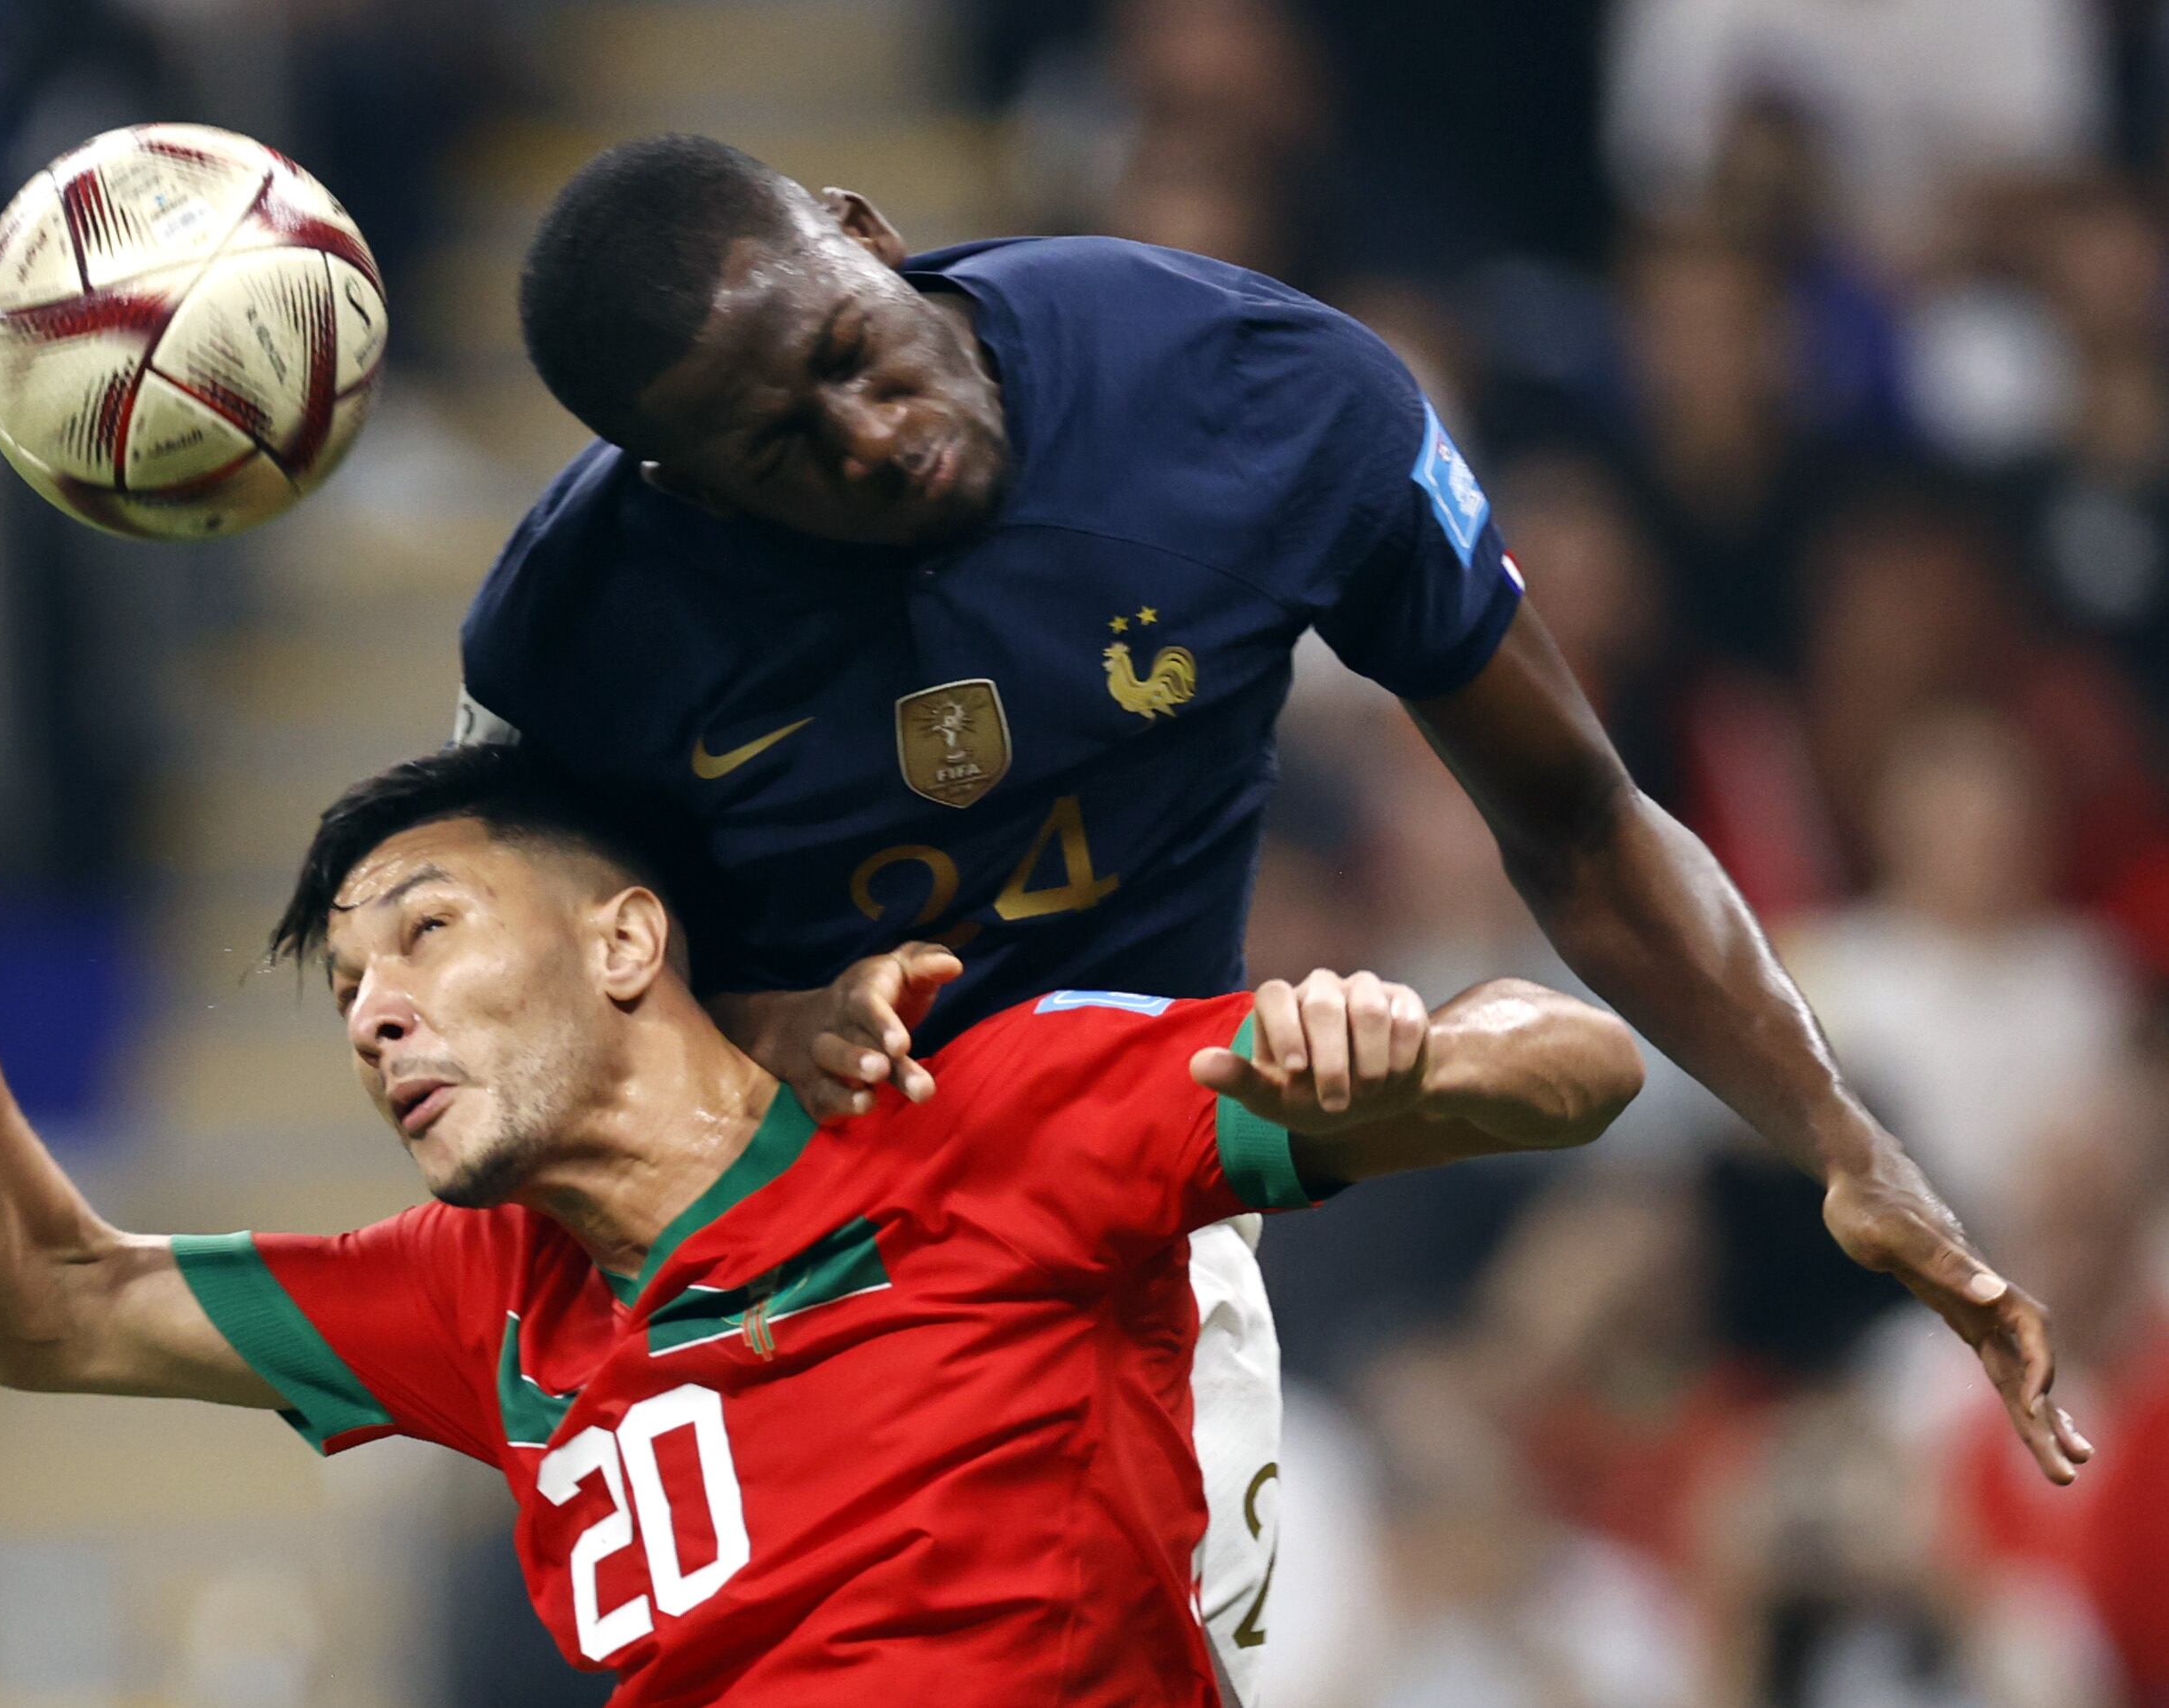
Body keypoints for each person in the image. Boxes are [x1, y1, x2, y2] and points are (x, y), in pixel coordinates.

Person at [452, 148, 2091, 1616]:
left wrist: (1842, 1140)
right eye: (781, 447)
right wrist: (755, 1010)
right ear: (678, 484)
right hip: (787, 1277)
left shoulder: (1249, 390)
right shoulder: (573, 636)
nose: (870, 439)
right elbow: (513, 1020)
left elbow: (1580, 819)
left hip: (1138, 1236)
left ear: (870, 237)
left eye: (849, 354)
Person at [0, 747, 1645, 1704]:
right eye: (345, 982)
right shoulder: (475, 1295)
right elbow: (38, 1301)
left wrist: (1404, 1042)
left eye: (422, 929)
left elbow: (1575, 1064)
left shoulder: (978, 1122)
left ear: (623, 940)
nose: (370, 1009)